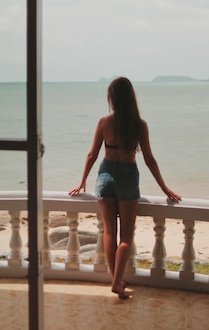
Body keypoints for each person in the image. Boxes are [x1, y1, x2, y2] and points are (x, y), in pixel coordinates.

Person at [69, 77, 181, 299]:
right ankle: (116, 283)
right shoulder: (140, 125)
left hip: (105, 175)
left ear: (112, 98)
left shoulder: (103, 123)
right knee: (126, 237)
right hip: (128, 177)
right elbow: (149, 159)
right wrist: (165, 188)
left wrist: (82, 181)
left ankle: (116, 280)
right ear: (131, 98)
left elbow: (92, 155)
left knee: (109, 232)